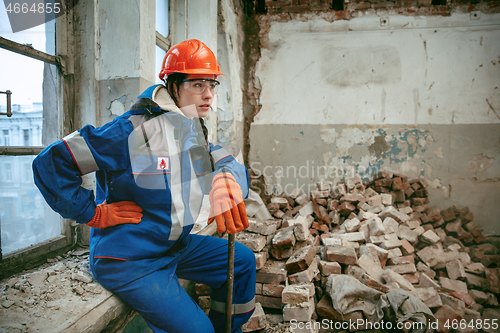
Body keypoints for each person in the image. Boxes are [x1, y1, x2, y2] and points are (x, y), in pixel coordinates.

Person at [32, 39, 256, 333]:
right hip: (130, 259)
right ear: (173, 84)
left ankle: (227, 328)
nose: (209, 95)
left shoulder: (191, 125)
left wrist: (228, 180)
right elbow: (50, 163)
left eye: (212, 85)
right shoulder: (129, 129)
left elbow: (224, 158)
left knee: (242, 261)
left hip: (173, 245)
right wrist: (92, 214)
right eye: (198, 85)